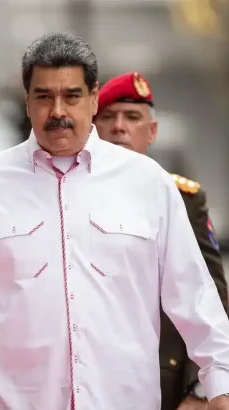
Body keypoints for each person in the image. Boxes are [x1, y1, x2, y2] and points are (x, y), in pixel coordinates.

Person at [0, 32, 229, 410]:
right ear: (27, 100)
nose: (57, 111)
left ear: (94, 98)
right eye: (44, 96)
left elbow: (196, 299)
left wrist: (218, 387)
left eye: (72, 96)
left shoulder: (148, 184)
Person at [94, 71, 228, 410]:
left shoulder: (180, 198)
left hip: (162, 378)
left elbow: (209, 296)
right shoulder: (70, 195)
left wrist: (199, 388)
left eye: (132, 117)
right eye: (107, 117)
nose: (119, 127)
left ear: (151, 131)